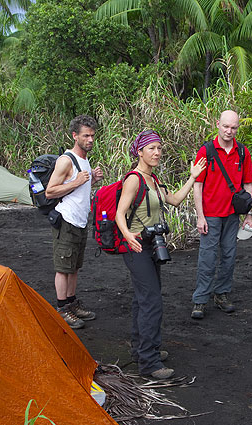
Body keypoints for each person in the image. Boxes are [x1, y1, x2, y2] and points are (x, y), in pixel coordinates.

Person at [116, 130, 206, 379]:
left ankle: (143, 349)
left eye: (159, 148)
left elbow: (175, 200)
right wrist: (127, 235)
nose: (157, 153)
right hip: (136, 246)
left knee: (142, 299)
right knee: (151, 301)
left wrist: (192, 177)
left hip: (151, 246)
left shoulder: (153, 179)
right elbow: (119, 213)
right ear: (140, 151)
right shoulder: (134, 179)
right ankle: (149, 363)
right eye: (152, 148)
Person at [190, 110, 252, 319]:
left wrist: (249, 214)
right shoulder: (206, 151)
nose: (229, 131)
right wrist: (200, 216)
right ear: (218, 124)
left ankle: (222, 294)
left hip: (232, 214)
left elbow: (248, 185)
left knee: (229, 256)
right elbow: (197, 185)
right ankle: (200, 300)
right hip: (210, 214)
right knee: (207, 257)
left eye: (234, 127)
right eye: (226, 126)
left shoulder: (242, 152)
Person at [45, 115, 104, 329]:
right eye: (86, 136)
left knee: (74, 267)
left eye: (92, 136)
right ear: (74, 136)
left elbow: (78, 188)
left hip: (80, 222)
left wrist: (92, 180)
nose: (90, 140)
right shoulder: (66, 160)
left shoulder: (84, 161)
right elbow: (50, 191)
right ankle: (61, 309)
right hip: (67, 221)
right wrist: (78, 181)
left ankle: (71, 303)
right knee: (63, 268)